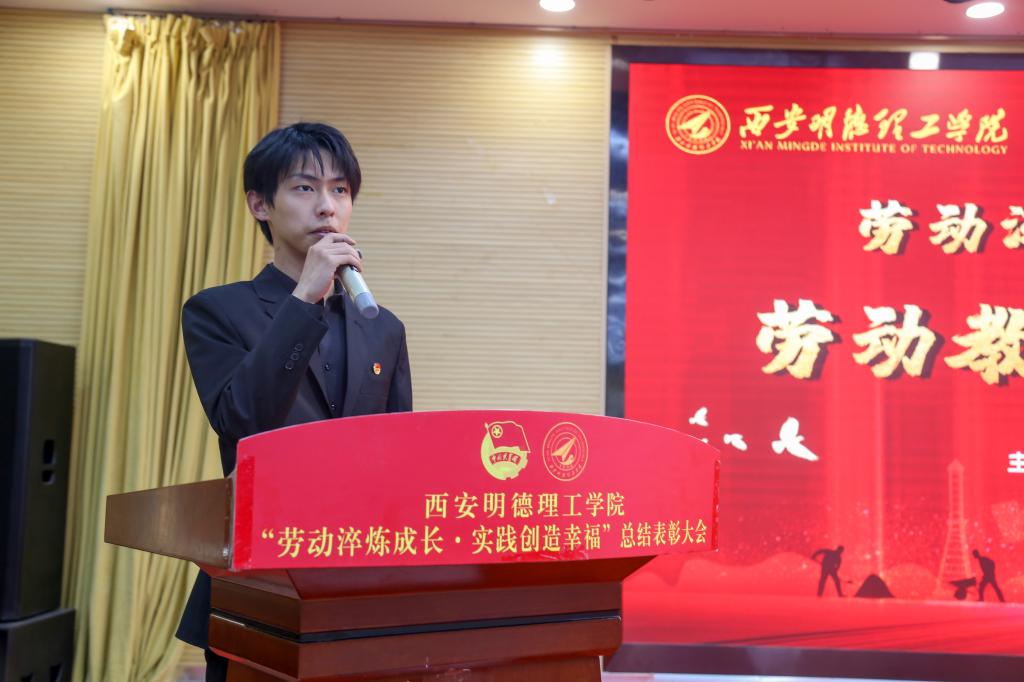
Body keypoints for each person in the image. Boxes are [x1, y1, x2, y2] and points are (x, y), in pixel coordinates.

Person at [173, 122, 413, 680]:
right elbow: (242, 419)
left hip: (359, 585)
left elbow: (399, 456)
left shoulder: (384, 327)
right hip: (258, 585)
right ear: (260, 204)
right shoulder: (217, 311)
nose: (327, 206)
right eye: (305, 188)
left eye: (340, 190)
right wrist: (305, 294)